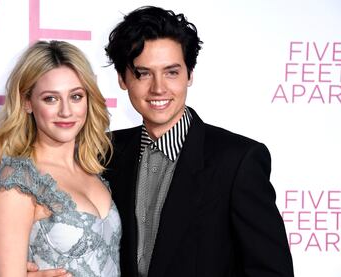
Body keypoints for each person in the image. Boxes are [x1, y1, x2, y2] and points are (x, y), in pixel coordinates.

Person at [102, 5, 294, 277]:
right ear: (122, 79)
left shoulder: (238, 160)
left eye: (172, 72)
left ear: (190, 75)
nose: (158, 88)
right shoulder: (103, 153)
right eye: (143, 73)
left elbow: (272, 271)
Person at [0, 40, 121, 277]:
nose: (66, 111)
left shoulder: (93, 169)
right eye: (51, 99)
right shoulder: (18, 183)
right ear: (27, 102)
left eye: (76, 96)